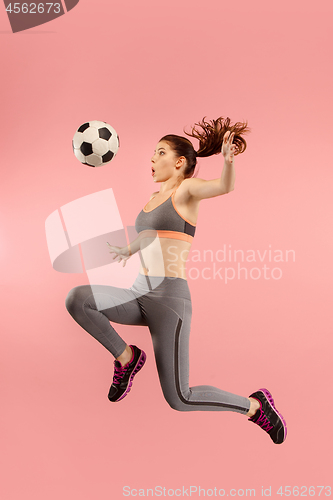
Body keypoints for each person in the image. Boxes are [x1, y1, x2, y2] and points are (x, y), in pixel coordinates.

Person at [65, 117, 287, 444]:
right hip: (139, 293)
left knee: (179, 398)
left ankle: (255, 407)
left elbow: (225, 187)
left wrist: (228, 162)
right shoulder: (155, 197)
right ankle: (127, 359)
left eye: (160, 152)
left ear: (179, 162)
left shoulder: (186, 190)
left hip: (169, 302)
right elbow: (152, 234)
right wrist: (129, 249)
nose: (152, 159)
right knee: (79, 299)